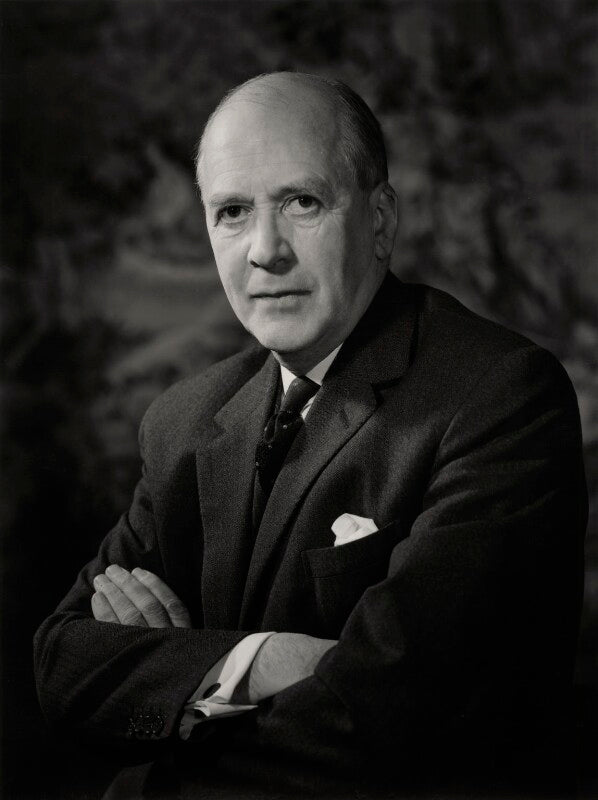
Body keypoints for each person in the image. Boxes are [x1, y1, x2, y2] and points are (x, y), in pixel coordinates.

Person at [34, 72, 587, 799]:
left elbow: (388, 721)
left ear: (380, 221)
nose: (265, 250)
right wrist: (265, 659)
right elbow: (63, 664)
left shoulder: (498, 397)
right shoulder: (183, 420)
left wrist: (159, 743)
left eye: (303, 203)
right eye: (233, 212)